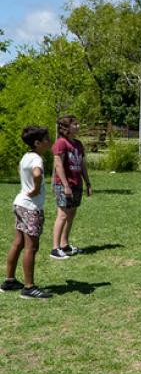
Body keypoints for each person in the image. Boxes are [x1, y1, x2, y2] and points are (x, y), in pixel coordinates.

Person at [2, 127, 52, 299]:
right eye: (46, 139)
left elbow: (25, 172)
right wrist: (36, 189)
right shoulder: (37, 159)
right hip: (31, 207)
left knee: (18, 243)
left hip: (20, 204)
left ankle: (9, 280)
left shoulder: (25, 157)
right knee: (32, 247)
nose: (49, 141)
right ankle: (29, 288)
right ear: (37, 143)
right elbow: (37, 174)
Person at [50, 116, 92, 260]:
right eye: (75, 124)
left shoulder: (78, 144)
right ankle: (55, 249)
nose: (78, 126)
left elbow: (82, 165)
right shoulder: (61, 143)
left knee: (71, 214)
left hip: (76, 183)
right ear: (66, 128)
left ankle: (64, 244)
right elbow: (58, 165)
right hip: (64, 185)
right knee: (62, 214)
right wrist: (65, 185)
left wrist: (88, 183)